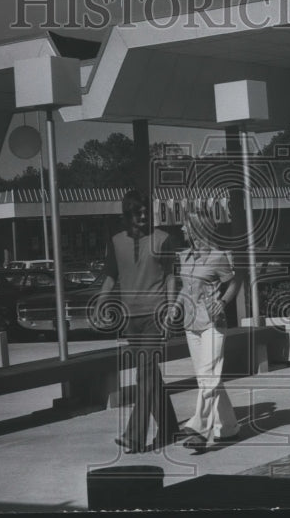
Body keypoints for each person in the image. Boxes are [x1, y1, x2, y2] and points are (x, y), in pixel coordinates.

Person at [99, 189, 180, 453]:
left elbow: (170, 275)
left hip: (155, 314)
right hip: (130, 317)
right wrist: (101, 300)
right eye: (138, 212)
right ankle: (169, 428)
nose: (144, 216)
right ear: (128, 214)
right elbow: (111, 275)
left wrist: (169, 309)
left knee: (143, 375)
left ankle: (134, 435)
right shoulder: (115, 241)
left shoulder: (163, 239)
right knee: (151, 375)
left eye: (147, 211)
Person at [174, 208, 242, 452]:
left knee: (208, 377)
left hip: (214, 324)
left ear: (197, 229)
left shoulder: (217, 257)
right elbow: (185, 288)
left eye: (185, 225)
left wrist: (222, 302)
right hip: (191, 325)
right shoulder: (184, 257)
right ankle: (230, 426)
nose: (182, 229)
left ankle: (200, 429)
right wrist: (176, 306)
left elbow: (234, 282)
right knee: (209, 378)